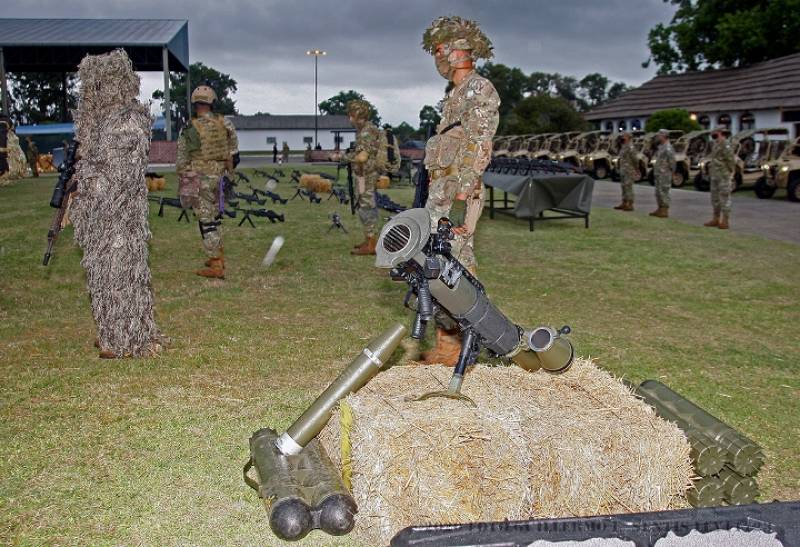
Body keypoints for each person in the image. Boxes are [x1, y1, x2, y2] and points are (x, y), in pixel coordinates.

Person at [419, 15, 500, 365]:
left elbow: (481, 141)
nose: (437, 57)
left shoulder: (479, 89)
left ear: (458, 50)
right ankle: (450, 343)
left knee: (456, 266)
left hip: (458, 194)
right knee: (442, 263)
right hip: (444, 192)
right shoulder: (455, 95)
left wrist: (463, 195)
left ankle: (463, 344)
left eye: (440, 49)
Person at [176, 84, 239, 279]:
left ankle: (215, 263)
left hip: (200, 178)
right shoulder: (225, 123)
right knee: (215, 216)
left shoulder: (189, 127)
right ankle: (217, 254)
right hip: (221, 177)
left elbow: (181, 160)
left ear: (195, 104)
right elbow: (235, 155)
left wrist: (184, 176)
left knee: (206, 220)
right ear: (212, 102)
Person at [346, 99, 382, 255]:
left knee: (367, 208)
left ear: (357, 115)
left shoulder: (367, 132)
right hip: (363, 175)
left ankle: (372, 244)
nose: (349, 119)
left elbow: (362, 158)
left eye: (351, 115)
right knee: (363, 206)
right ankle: (368, 240)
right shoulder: (365, 130)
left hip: (367, 176)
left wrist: (343, 157)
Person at [705, 130, 736, 230]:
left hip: (723, 175)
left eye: (715, 131)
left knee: (724, 198)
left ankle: (725, 221)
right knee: (715, 198)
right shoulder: (716, 144)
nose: (712, 133)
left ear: (720, 132)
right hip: (715, 175)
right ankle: (716, 219)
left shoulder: (726, 145)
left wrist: (729, 172)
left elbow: (730, 160)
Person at [649, 129, 675, 218]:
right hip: (659, 173)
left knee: (664, 191)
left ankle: (665, 210)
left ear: (664, 136)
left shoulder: (668, 147)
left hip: (665, 174)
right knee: (658, 192)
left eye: (659, 135)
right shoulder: (661, 147)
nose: (658, 137)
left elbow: (672, 162)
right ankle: (660, 208)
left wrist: (673, 172)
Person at [614, 132, 638, 211]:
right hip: (623, 169)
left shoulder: (631, 147)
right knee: (623, 186)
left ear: (628, 137)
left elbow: (635, 159)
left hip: (629, 170)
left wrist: (636, 169)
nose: (622, 137)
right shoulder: (624, 146)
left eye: (624, 136)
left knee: (628, 187)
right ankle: (624, 202)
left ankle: (630, 204)